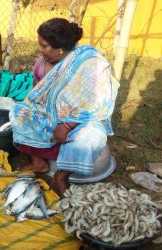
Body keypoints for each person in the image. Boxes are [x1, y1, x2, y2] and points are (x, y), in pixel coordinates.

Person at [9, 18, 119, 196]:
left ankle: (61, 175)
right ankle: (39, 163)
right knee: (20, 112)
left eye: (44, 46)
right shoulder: (43, 63)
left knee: (92, 137)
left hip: (84, 120)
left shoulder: (90, 63)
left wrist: (67, 125)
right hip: (53, 113)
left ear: (59, 47)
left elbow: (98, 103)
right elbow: (39, 92)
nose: (40, 50)